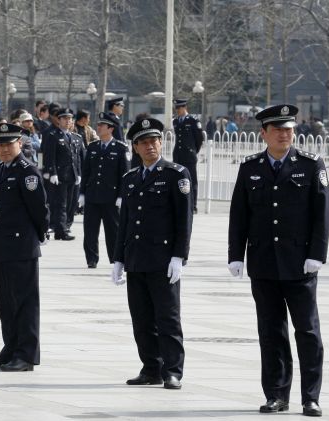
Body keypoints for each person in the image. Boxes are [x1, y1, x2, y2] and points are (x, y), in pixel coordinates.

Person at [228, 104, 329, 417]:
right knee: (271, 332)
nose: (285, 134)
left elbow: (321, 214)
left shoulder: (311, 165)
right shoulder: (250, 167)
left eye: (289, 129)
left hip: (299, 262)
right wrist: (236, 255)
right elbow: (239, 214)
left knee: (307, 332)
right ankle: (276, 394)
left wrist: (317, 254)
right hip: (263, 262)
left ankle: (310, 397)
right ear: (264, 134)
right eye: (278, 130)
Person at [112, 117, 193, 391]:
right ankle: (150, 367)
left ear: (161, 142)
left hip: (163, 259)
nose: (150, 147)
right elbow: (125, 221)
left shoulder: (176, 174)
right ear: (135, 147)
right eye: (144, 143)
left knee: (167, 318)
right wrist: (118, 258)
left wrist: (179, 256)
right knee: (142, 319)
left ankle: (172, 370)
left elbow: (184, 220)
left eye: (154, 141)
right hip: (136, 258)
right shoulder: (131, 178)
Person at [0, 122, 50, 372]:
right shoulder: (3, 169)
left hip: (21, 245)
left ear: (19, 143)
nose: (3, 149)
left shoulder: (27, 171)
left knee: (24, 302)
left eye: (8, 144)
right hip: (2, 245)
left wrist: (40, 233)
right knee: (6, 302)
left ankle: (26, 353)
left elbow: (39, 209)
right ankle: (10, 347)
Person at [79, 112, 129, 268]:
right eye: (98, 125)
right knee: (90, 231)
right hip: (93, 196)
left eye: (102, 125)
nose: (98, 128)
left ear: (110, 128)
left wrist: (121, 196)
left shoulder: (121, 148)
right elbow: (86, 172)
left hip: (111, 197)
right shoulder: (93, 147)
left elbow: (124, 176)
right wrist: (82, 193)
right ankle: (91, 259)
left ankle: (115, 259)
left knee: (113, 231)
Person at [46, 108, 84, 240]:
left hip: (73, 175)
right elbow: (49, 156)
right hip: (60, 176)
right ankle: (61, 231)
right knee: (61, 203)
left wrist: (79, 173)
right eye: (65, 119)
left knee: (71, 203)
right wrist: (52, 172)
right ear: (59, 120)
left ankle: (65, 226)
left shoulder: (75, 137)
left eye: (70, 119)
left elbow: (77, 158)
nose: (68, 121)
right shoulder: (53, 136)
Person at [172, 99, 203, 214]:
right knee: (177, 179)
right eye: (176, 108)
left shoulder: (193, 120)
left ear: (184, 107)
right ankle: (179, 202)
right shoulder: (176, 121)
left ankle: (193, 205)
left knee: (191, 180)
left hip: (189, 155)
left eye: (179, 108)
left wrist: (193, 150)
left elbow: (199, 139)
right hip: (178, 155)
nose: (177, 111)